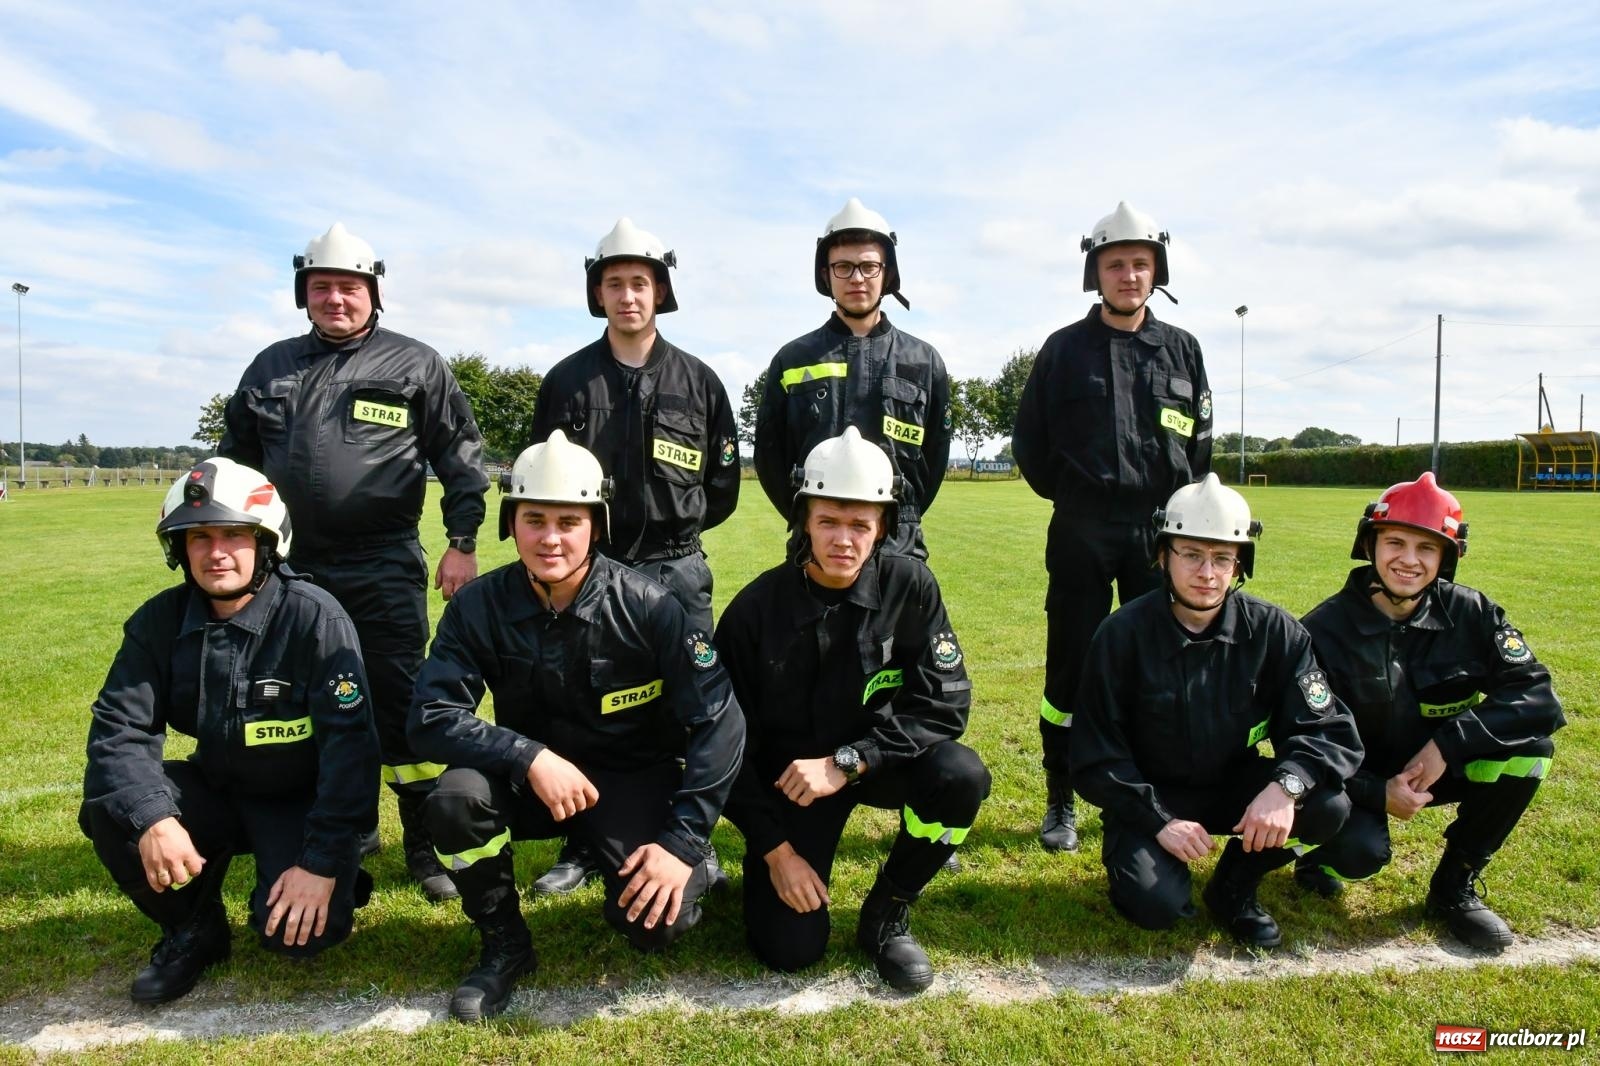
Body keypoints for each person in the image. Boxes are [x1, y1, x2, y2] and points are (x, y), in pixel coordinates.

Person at [408, 431, 745, 1023]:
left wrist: (682, 841)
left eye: (569, 520)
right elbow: (431, 717)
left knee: (658, 926)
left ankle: (681, 859)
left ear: (596, 524)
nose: (551, 537)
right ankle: (505, 944)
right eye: (533, 519)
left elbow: (719, 721)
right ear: (511, 524)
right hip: (534, 781)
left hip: (630, 776)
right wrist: (529, 756)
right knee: (456, 798)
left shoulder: (651, 605)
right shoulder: (477, 606)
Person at [220, 222, 489, 902]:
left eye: (350, 287)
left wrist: (462, 544)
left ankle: (425, 844)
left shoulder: (415, 365)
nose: (336, 299)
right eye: (322, 287)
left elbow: (461, 461)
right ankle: (340, 831)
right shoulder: (269, 368)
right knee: (302, 703)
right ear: (302, 293)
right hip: (289, 570)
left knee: (404, 703)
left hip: (383, 565)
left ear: (373, 291)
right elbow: (234, 466)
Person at [80, 458, 379, 1003]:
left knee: (297, 937)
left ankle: (341, 877)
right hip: (217, 787)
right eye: (198, 536)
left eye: (234, 535)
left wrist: (323, 861)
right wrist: (154, 819)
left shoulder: (316, 619)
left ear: (267, 542)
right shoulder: (158, 622)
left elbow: (352, 752)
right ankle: (193, 927)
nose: (216, 551)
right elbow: (117, 731)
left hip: (299, 802)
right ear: (179, 548)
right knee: (110, 809)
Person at [717, 427, 990, 992]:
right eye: (828, 522)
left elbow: (944, 702)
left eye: (861, 525)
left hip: (872, 764)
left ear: (883, 527)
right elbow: (723, 746)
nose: (844, 540)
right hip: (794, 786)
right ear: (803, 521)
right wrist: (775, 851)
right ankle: (769, 874)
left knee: (961, 776)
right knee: (790, 949)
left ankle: (888, 909)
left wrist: (851, 760)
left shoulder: (911, 586)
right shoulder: (754, 612)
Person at [526, 219, 740, 896]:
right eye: (614, 283)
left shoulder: (700, 382)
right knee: (582, 705)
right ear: (598, 292)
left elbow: (724, 487)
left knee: (689, 707)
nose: (627, 295)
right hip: (591, 575)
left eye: (639, 283)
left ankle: (690, 839)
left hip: (677, 570)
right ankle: (582, 843)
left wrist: (674, 531)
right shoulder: (565, 382)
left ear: (660, 292)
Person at [1071, 474, 1362, 947]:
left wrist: (1285, 788)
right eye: (1191, 554)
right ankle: (1153, 866)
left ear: (1239, 565)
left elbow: (1327, 729)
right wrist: (1158, 820)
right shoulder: (1120, 636)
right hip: (1151, 794)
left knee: (1327, 805)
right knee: (1154, 905)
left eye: (1222, 558)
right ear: (1163, 555)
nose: (1207, 573)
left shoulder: (1275, 632)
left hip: (1236, 786)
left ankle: (1234, 888)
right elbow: (1094, 755)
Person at [1013, 201, 1214, 854]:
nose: (1129, 275)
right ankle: (1060, 798)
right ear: (1094, 272)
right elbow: (1030, 446)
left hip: (1159, 535)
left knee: (1156, 664)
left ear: (1157, 271)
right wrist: (1078, 498)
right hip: (1081, 528)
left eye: (1140, 263)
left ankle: (1147, 796)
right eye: (1115, 264)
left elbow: (1201, 449)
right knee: (1070, 665)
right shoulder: (1063, 351)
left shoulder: (1184, 351)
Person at [1297, 473, 1563, 952]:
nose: (1409, 560)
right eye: (1395, 542)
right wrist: (1377, 791)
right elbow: (1301, 741)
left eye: (1427, 548)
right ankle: (1317, 859)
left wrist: (1450, 742)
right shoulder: (1321, 631)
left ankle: (1452, 888)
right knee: (1360, 853)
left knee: (1531, 751)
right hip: (1358, 780)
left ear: (1446, 557)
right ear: (1370, 544)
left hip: (1439, 768)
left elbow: (1538, 698)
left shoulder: (1475, 614)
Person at [754, 197, 951, 560]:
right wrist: (814, 518)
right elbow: (769, 458)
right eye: (843, 266)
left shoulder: (924, 361)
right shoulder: (792, 359)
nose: (857, 278)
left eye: (868, 266)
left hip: (901, 549)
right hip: (814, 547)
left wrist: (899, 518)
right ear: (825, 275)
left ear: (887, 274)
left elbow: (935, 459)